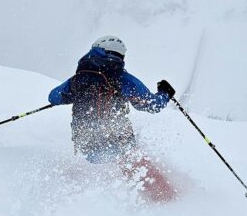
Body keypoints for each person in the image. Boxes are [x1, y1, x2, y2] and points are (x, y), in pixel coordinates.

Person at [48, 36, 178, 201]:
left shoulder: (78, 78)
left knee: (103, 167)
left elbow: (53, 97)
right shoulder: (122, 78)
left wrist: (74, 94)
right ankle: (167, 201)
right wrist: (165, 93)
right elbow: (152, 105)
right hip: (116, 141)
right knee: (138, 166)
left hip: (86, 144)